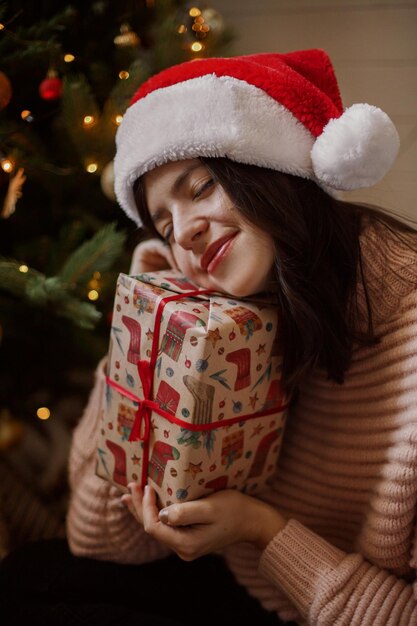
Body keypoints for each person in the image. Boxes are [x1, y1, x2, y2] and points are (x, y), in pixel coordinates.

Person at [1, 48, 417, 626]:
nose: (187, 233)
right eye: (166, 227)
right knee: (31, 579)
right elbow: (96, 541)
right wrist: (137, 341)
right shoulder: (228, 323)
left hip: (329, 602)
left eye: (200, 188)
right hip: (246, 582)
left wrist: (259, 529)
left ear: (272, 169)